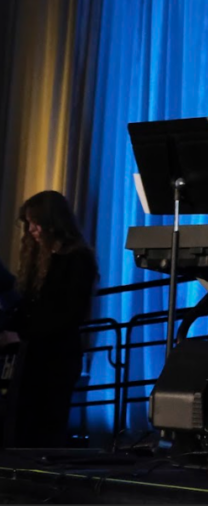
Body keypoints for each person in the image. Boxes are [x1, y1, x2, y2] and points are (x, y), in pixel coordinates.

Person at [0, 191, 98, 448]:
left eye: (35, 222)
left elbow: (67, 313)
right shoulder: (42, 258)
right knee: (25, 422)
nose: (31, 229)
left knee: (45, 423)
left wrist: (22, 335)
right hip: (36, 353)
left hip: (56, 356)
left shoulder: (77, 260)